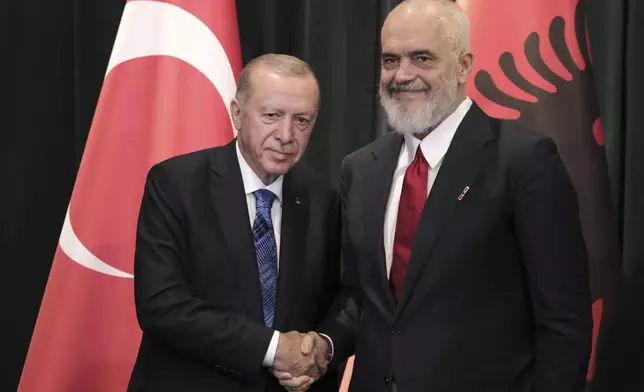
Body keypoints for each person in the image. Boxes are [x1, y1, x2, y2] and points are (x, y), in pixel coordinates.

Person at [315, 1, 593, 391]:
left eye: (422, 58)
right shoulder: (361, 169)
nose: (402, 75)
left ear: (464, 65)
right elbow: (362, 296)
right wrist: (323, 346)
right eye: (390, 60)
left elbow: (564, 319)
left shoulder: (523, 161)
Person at [128, 54, 338, 392]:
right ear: (237, 114)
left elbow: (339, 298)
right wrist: (272, 348)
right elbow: (161, 305)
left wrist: (319, 348)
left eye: (302, 120)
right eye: (271, 116)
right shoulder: (176, 183)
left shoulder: (322, 199)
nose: (286, 135)